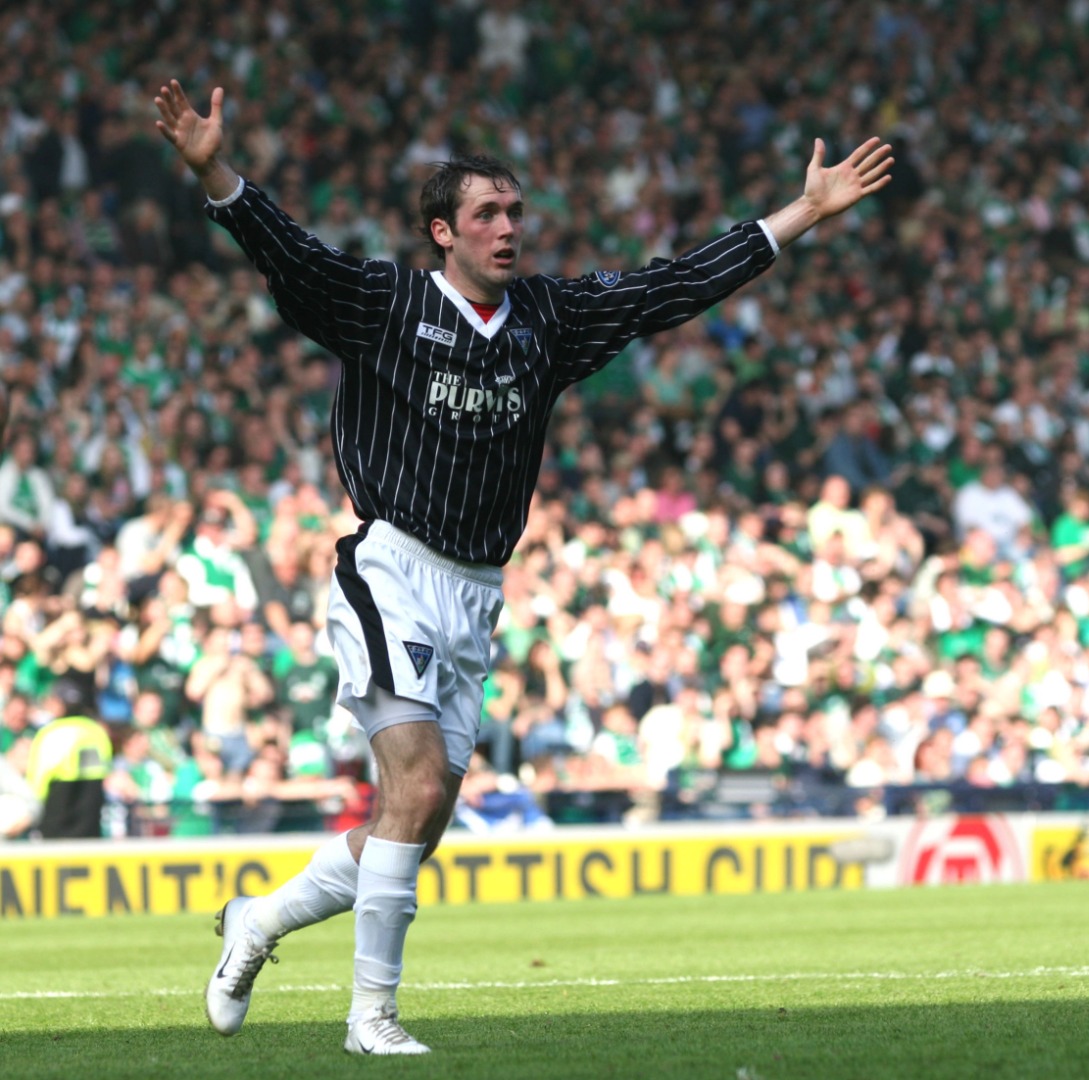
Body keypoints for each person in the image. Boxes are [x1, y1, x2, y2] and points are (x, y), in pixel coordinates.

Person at [153, 78, 892, 1056]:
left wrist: (801, 212)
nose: (507, 228)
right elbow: (289, 255)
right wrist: (217, 175)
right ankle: (371, 1019)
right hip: (390, 567)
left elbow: (670, 287)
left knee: (414, 823)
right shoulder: (387, 303)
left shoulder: (548, 317)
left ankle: (258, 922)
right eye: (486, 215)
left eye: (514, 212)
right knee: (415, 789)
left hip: (476, 593)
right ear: (442, 233)